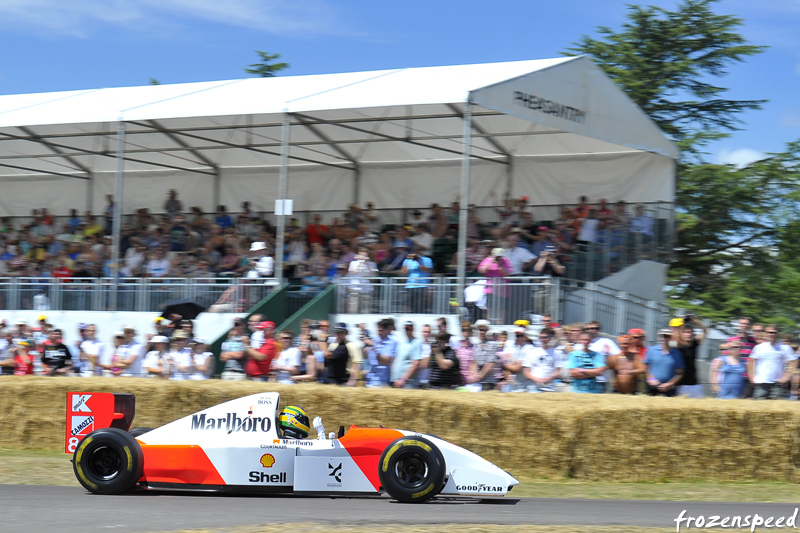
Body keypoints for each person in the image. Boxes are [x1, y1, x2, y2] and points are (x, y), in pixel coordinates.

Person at [748, 325, 798, 400]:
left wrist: (787, 376)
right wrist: (751, 377)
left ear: (777, 334)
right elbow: (750, 361)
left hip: (777, 383)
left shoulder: (785, 347)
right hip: (761, 382)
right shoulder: (759, 347)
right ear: (765, 333)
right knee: (757, 406)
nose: (771, 334)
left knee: (776, 408)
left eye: (773, 332)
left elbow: (794, 361)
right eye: (768, 332)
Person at [675, 315, 708, 398]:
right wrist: (681, 321)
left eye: (690, 332)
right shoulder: (679, 345)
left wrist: (695, 321)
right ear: (681, 334)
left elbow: (705, 331)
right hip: (681, 383)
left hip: (694, 382)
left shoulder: (694, 343)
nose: (688, 334)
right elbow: (674, 334)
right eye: (686, 332)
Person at [645, 329, 685, 397]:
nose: (663, 338)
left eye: (666, 336)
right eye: (661, 336)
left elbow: (679, 373)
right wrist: (651, 379)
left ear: (671, 338)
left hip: (669, 389)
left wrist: (669, 384)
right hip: (652, 387)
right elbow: (645, 368)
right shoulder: (651, 350)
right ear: (658, 337)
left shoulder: (677, 354)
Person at [391, 321, 423, 388]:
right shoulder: (402, 343)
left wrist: (403, 379)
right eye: (406, 329)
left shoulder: (417, 342)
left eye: (409, 329)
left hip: (407, 383)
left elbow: (416, 363)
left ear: (412, 329)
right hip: (396, 381)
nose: (407, 331)